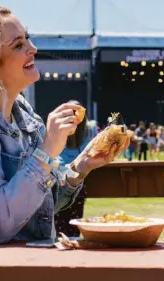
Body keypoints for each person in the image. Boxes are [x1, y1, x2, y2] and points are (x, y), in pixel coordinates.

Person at [0, 0, 130, 243]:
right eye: (18, 45)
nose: (32, 48)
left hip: (29, 265)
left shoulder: (23, 113)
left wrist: (82, 165)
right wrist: (46, 151)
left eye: (28, 38)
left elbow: (41, 207)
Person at [54, 100, 92, 237]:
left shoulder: (88, 132)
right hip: (72, 181)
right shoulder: (88, 132)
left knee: (62, 224)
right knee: (73, 222)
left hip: (67, 180)